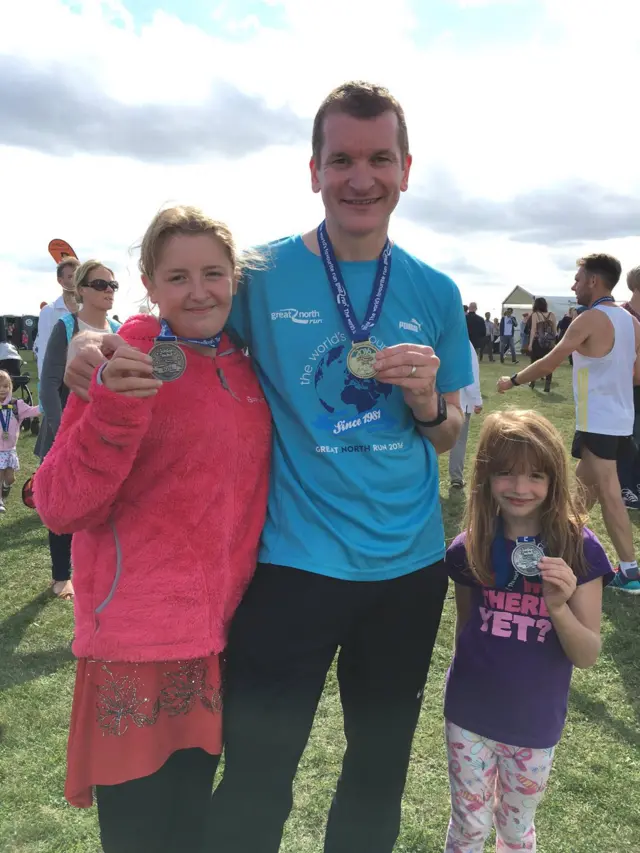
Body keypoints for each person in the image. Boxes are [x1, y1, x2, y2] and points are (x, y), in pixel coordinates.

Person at [65, 81, 473, 853]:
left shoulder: (437, 291)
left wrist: (426, 403)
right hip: (293, 568)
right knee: (257, 775)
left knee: (377, 773)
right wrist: (95, 341)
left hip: (405, 573)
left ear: (407, 169)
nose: (362, 177)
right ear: (313, 169)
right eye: (342, 158)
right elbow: (181, 317)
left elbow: (448, 432)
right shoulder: (260, 274)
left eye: (379, 158)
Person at [33, 206, 272, 853]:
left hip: (214, 643)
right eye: (179, 275)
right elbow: (56, 503)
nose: (199, 290)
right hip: (133, 648)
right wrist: (110, 407)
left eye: (214, 272)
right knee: (138, 835)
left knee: (192, 827)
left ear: (235, 278)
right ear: (150, 281)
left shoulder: (249, 367)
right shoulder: (123, 356)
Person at [443, 409, 612, 852]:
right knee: (468, 827)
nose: (520, 489)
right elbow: (468, 629)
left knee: (515, 832)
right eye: (506, 475)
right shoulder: (469, 547)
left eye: (536, 476)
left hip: (533, 721)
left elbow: (587, 653)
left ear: (555, 479)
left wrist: (557, 607)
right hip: (469, 715)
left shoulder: (580, 549)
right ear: (485, 475)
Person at [497, 253, 640, 594]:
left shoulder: (589, 319)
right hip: (621, 420)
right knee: (579, 491)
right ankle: (559, 546)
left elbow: (549, 362)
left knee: (608, 491)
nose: (573, 285)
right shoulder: (632, 322)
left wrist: (512, 380)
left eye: (578, 279)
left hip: (600, 421)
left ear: (594, 281)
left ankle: (631, 572)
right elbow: (637, 373)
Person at [36, 260, 121, 601]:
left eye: (113, 286)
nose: (109, 291)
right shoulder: (66, 326)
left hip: (106, 436)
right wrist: (63, 437)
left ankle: (100, 570)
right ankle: (61, 577)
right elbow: (48, 387)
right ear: (81, 289)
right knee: (64, 506)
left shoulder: (120, 328)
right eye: (101, 285)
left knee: (104, 508)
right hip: (67, 434)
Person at [0, 370, 41, 513]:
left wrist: (44, 405)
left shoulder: (17, 405)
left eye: (5, 386)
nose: (2, 390)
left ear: (10, 387)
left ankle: (5, 487)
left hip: (10, 450)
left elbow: (32, 411)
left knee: (10, 478)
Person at [34, 257, 80, 378]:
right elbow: (44, 348)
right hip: (58, 378)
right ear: (60, 280)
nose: (75, 280)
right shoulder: (48, 311)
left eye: (78, 276)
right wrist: (44, 382)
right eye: (70, 277)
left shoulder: (89, 308)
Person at [618, 266, 640, 510]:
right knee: (629, 437)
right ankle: (626, 485)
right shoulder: (623, 315)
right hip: (627, 385)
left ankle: (637, 482)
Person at [449, 341, 483, 488]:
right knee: (459, 441)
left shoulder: (435, 337)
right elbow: (471, 376)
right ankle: (456, 477)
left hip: (436, 400)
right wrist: (477, 400)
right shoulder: (465, 344)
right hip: (460, 402)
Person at [528, 297, 557, 392]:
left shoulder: (535, 315)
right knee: (549, 364)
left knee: (534, 363)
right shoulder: (552, 315)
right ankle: (547, 385)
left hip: (538, 342)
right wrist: (554, 343)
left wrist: (530, 344)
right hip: (549, 343)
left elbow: (533, 330)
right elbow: (555, 331)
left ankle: (532, 382)